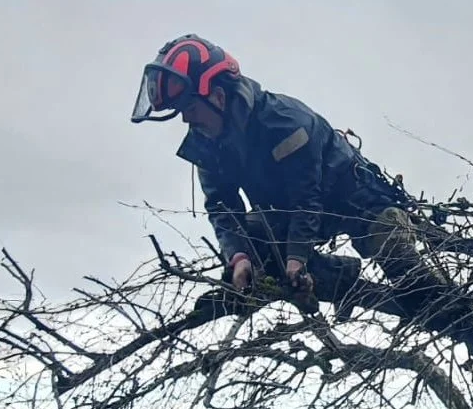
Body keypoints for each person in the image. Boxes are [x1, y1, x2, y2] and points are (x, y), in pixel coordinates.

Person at [130, 34, 415, 300]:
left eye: (190, 110)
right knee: (254, 246)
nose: (186, 121)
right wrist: (239, 257)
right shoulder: (207, 143)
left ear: (217, 97)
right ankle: (341, 279)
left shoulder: (285, 123)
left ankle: (447, 310)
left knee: (408, 275)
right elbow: (222, 206)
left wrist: (296, 257)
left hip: (355, 201)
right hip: (288, 212)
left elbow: (306, 197)